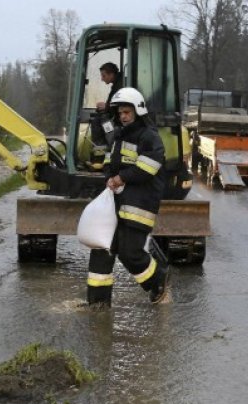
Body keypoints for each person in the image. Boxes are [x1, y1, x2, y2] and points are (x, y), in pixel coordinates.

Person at [86, 87, 169, 308]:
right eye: (120, 112)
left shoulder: (149, 137)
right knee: (102, 249)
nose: (122, 116)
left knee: (130, 253)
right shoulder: (119, 136)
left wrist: (121, 178)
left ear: (138, 111)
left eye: (127, 112)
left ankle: (158, 280)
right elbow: (108, 162)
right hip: (116, 202)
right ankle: (97, 303)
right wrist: (108, 177)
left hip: (139, 205)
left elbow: (148, 168)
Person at [89, 62, 122, 169]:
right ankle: (99, 159)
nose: (102, 79)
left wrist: (106, 106)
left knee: (99, 121)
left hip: (118, 122)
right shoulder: (118, 84)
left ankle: (100, 159)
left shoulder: (120, 86)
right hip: (115, 119)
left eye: (104, 75)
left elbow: (121, 104)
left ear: (111, 74)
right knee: (98, 119)